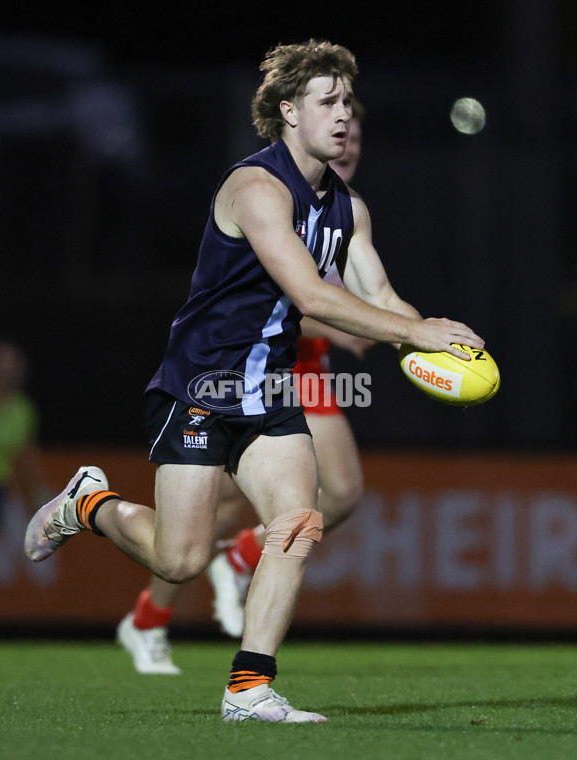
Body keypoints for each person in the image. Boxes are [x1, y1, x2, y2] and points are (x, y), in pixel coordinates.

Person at [25, 39, 484, 723]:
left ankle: (249, 689)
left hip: (269, 388)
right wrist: (411, 336)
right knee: (179, 559)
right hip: (200, 385)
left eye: (348, 104)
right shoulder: (255, 188)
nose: (343, 118)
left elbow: (381, 296)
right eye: (327, 103)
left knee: (298, 523)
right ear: (288, 112)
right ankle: (87, 505)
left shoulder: (348, 209)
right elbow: (310, 294)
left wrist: (440, 344)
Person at [115, 101, 373, 673]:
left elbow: (369, 296)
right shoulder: (272, 191)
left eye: (354, 133)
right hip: (247, 368)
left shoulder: (348, 211)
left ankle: (222, 626)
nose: (347, 141)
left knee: (327, 498)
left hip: (300, 370)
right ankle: (158, 612)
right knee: (210, 526)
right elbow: (281, 304)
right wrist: (354, 324)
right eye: (337, 126)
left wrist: (416, 334)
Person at [0, 341, 52, 613]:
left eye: (11, 366)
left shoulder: (22, 410)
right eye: (1, 365)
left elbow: (26, 458)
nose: (6, 372)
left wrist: (39, 494)